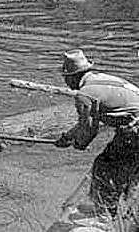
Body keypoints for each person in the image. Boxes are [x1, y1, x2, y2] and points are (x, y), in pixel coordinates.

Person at [55, 49, 139, 220]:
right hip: (132, 126)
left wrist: (75, 143)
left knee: (104, 165)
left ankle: (105, 212)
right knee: (127, 165)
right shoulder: (103, 78)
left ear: (72, 76)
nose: (64, 81)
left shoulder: (84, 94)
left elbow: (89, 130)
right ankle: (121, 208)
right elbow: (89, 126)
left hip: (134, 129)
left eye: (65, 76)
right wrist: (68, 136)